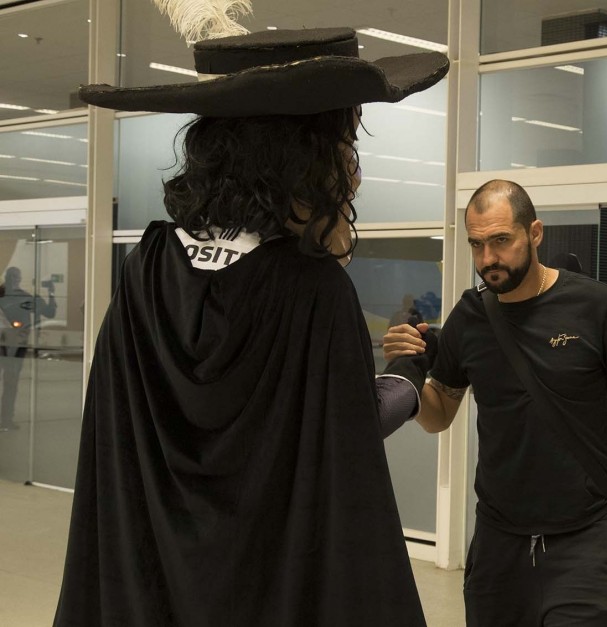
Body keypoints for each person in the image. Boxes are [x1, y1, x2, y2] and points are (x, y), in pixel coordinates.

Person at [54, 23, 448, 627]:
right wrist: (406, 375)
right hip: (273, 588)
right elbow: (345, 441)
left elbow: (120, 447)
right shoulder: (311, 290)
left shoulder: (146, 268)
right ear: (311, 155)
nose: (354, 164)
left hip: (154, 586)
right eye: (345, 141)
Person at [384, 179, 607, 626]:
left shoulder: (594, 305)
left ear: (535, 233)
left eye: (500, 241)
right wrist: (407, 378)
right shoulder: (469, 317)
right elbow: (440, 415)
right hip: (499, 545)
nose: (487, 258)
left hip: (585, 541)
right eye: (476, 245)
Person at [0, 266, 57, 431]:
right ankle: (6, 419)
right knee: (11, 382)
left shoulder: (25, 298)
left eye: (16, 277)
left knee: (12, 382)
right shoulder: (14, 298)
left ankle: (6, 419)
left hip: (17, 345)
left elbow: (49, 313)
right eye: (12, 277)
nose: (14, 280)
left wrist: (51, 294)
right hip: (10, 344)